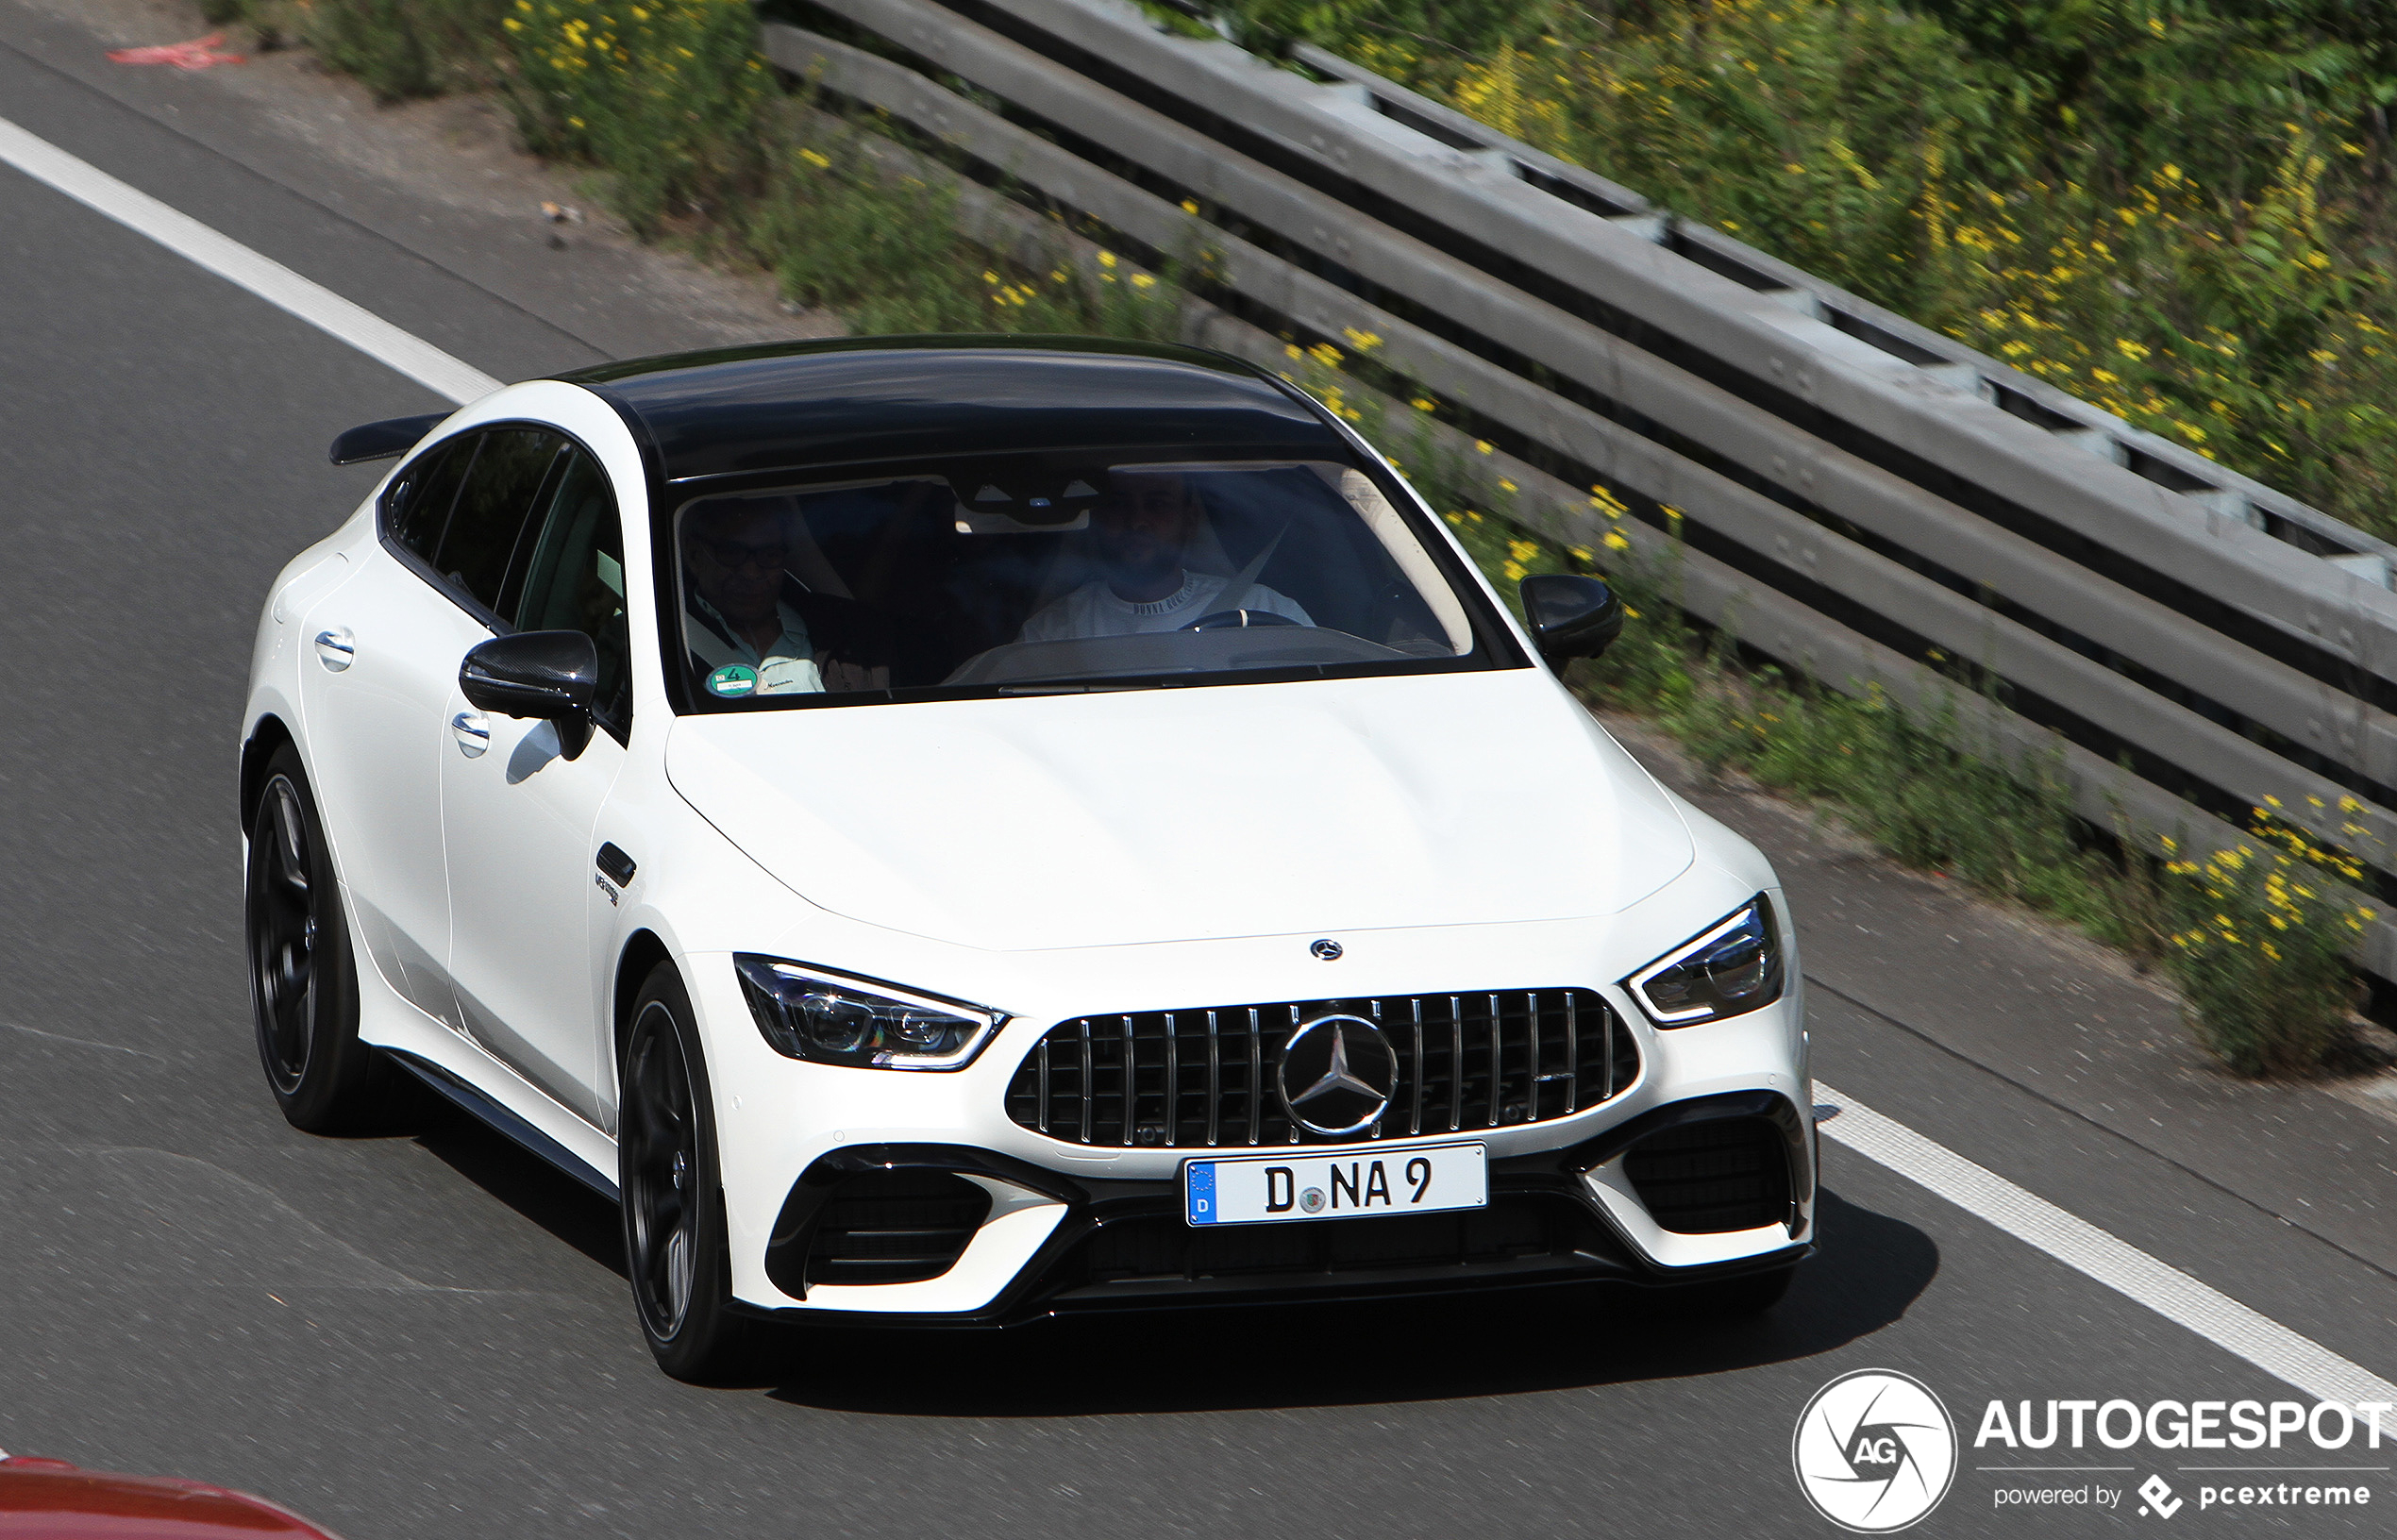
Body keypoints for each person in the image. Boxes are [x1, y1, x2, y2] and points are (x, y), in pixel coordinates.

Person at [1016, 471, 1312, 643]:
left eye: (1157, 505)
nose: (1137, 522)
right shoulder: (1052, 634)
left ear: (1190, 519)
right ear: (1097, 518)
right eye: (1119, 505)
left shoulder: (1265, 612)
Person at [681, 497, 890, 697]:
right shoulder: (665, 644)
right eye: (732, 553)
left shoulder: (850, 634)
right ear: (694, 555)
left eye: (769, 554)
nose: (752, 573)